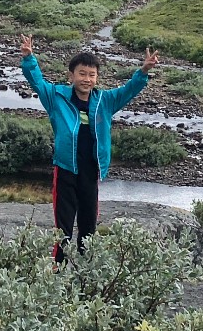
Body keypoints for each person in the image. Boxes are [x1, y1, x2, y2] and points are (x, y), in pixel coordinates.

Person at [18, 32, 160, 261]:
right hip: (65, 170)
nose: (87, 79)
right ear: (71, 76)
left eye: (91, 75)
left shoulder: (105, 100)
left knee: (88, 227)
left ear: (97, 78)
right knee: (62, 228)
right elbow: (37, 82)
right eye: (82, 74)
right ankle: (58, 271)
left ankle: (86, 272)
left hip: (90, 172)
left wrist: (143, 71)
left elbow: (129, 90)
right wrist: (29, 59)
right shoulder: (57, 97)